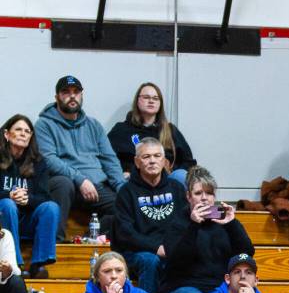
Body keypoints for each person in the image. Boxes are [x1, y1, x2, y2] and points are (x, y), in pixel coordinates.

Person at [35, 75, 122, 240]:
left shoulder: (94, 125)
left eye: (76, 92)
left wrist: (122, 187)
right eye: (66, 92)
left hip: (97, 186)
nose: (72, 96)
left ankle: (87, 239)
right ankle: (55, 245)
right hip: (66, 184)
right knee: (63, 183)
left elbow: (109, 160)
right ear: (57, 97)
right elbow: (49, 159)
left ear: (82, 95)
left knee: (126, 204)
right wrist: (80, 179)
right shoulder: (44, 124)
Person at [160, 166, 253, 293]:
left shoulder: (224, 222)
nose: (204, 198)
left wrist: (232, 224)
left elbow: (246, 255)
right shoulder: (177, 222)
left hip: (217, 287)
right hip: (183, 289)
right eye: (198, 193)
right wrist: (194, 225)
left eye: (209, 193)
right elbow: (178, 260)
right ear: (188, 197)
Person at [113, 138, 189, 293]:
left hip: (170, 250)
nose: (152, 161)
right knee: (150, 261)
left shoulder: (176, 188)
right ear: (137, 162)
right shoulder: (126, 192)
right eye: (146, 157)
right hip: (137, 253)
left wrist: (172, 247)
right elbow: (125, 233)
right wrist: (156, 248)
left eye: (157, 156)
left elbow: (185, 224)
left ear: (164, 161)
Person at [0, 113, 60, 277]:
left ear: (31, 137)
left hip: (26, 220)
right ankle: (15, 263)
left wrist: (28, 199)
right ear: (6, 134)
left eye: (27, 131)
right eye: (18, 129)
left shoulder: (38, 162)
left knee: (51, 207)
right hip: (2, 220)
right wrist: (9, 195)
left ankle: (38, 264)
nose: (23, 133)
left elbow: (44, 196)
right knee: (7, 204)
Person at [107, 82, 195, 182]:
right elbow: (107, 158)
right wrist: (122, 172)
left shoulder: (170, 130)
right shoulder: (121, 129)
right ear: (137, 101)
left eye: (155, 98)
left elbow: (188, 162)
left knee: (181, 175)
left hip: (167, 182)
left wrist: (172, 172)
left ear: (160, 104)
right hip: (134, 180)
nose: (151, 101)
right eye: (146, 97)